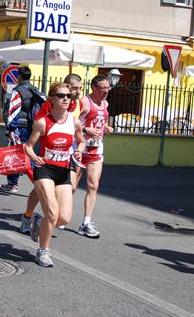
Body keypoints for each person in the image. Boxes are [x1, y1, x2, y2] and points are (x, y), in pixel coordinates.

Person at [26, 82, 85, 267]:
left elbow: (81, 141)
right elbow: (28, 146)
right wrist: (35, 157)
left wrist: (79, 151)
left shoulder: (74, 121)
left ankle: (37, 220)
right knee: (52, 213)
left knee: (64, 218)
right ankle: (43, 251)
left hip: (64, 170)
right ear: (52, 99)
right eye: (61, 95)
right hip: (45, 169)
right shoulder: (43, 122)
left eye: (68, 95)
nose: (66, 98)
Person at [20, 74, 83, 233]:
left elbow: (83, 128)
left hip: (68, 154)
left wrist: (80, 148)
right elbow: (38, 124)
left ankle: (52, 212)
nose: (76, 93)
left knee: (72, 185)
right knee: (40, 189)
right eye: (74, 88)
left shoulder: (80, 105)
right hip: (48, 156)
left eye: (77, 90)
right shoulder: (48, 107)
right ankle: (29, 215)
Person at [76, 75, 114, 238]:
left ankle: (86, 222)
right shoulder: (84, 102)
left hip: (96, 150)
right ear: (94, 87)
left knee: (93, 185)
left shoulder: (105, 104)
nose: (106, 91)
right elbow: (71, 122)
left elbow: (98, 120)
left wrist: (106, 127)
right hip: (79, 148)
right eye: (103, 88)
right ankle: (59, 216)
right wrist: (86, 130)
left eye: (108, 88)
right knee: (70, 186)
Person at [1, 66, 43, 193]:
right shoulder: (35, 90)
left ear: (19, 76)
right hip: (32, 126)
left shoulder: (18, 90)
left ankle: (39, 186)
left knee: (24, 158)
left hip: (20, 127)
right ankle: (12, 183)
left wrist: (11, 129)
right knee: (14, 154)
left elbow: (14, 110)